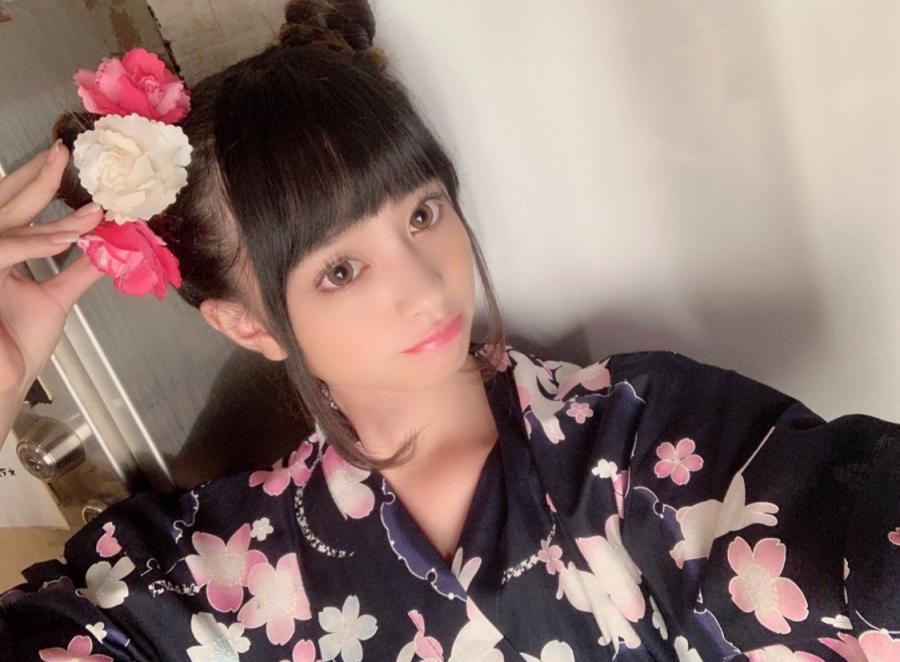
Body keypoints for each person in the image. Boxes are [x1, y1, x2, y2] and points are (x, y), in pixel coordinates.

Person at [1, 1, 897, 660]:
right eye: (341, 270)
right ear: (247, 322)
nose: (425, 285)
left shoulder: (639, 444)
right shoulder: (213, 572)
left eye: (423, 214)